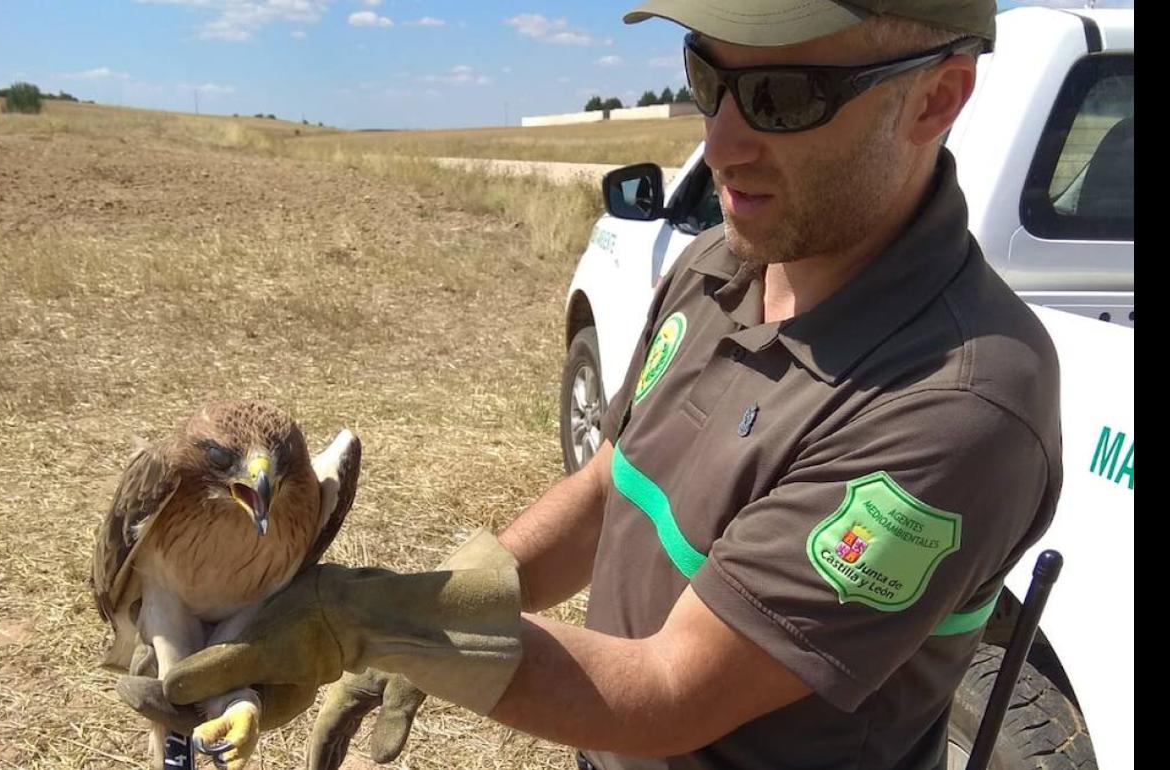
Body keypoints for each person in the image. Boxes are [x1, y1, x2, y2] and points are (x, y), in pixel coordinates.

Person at [126, 1, 1064, 768]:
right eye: (709, 76)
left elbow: (665, 695)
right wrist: (449, 599)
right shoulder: (713, 269)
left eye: (782, 95)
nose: (722, 139)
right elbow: (614, 486)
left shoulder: (955, 404)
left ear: (936, 100)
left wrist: (382, 623)